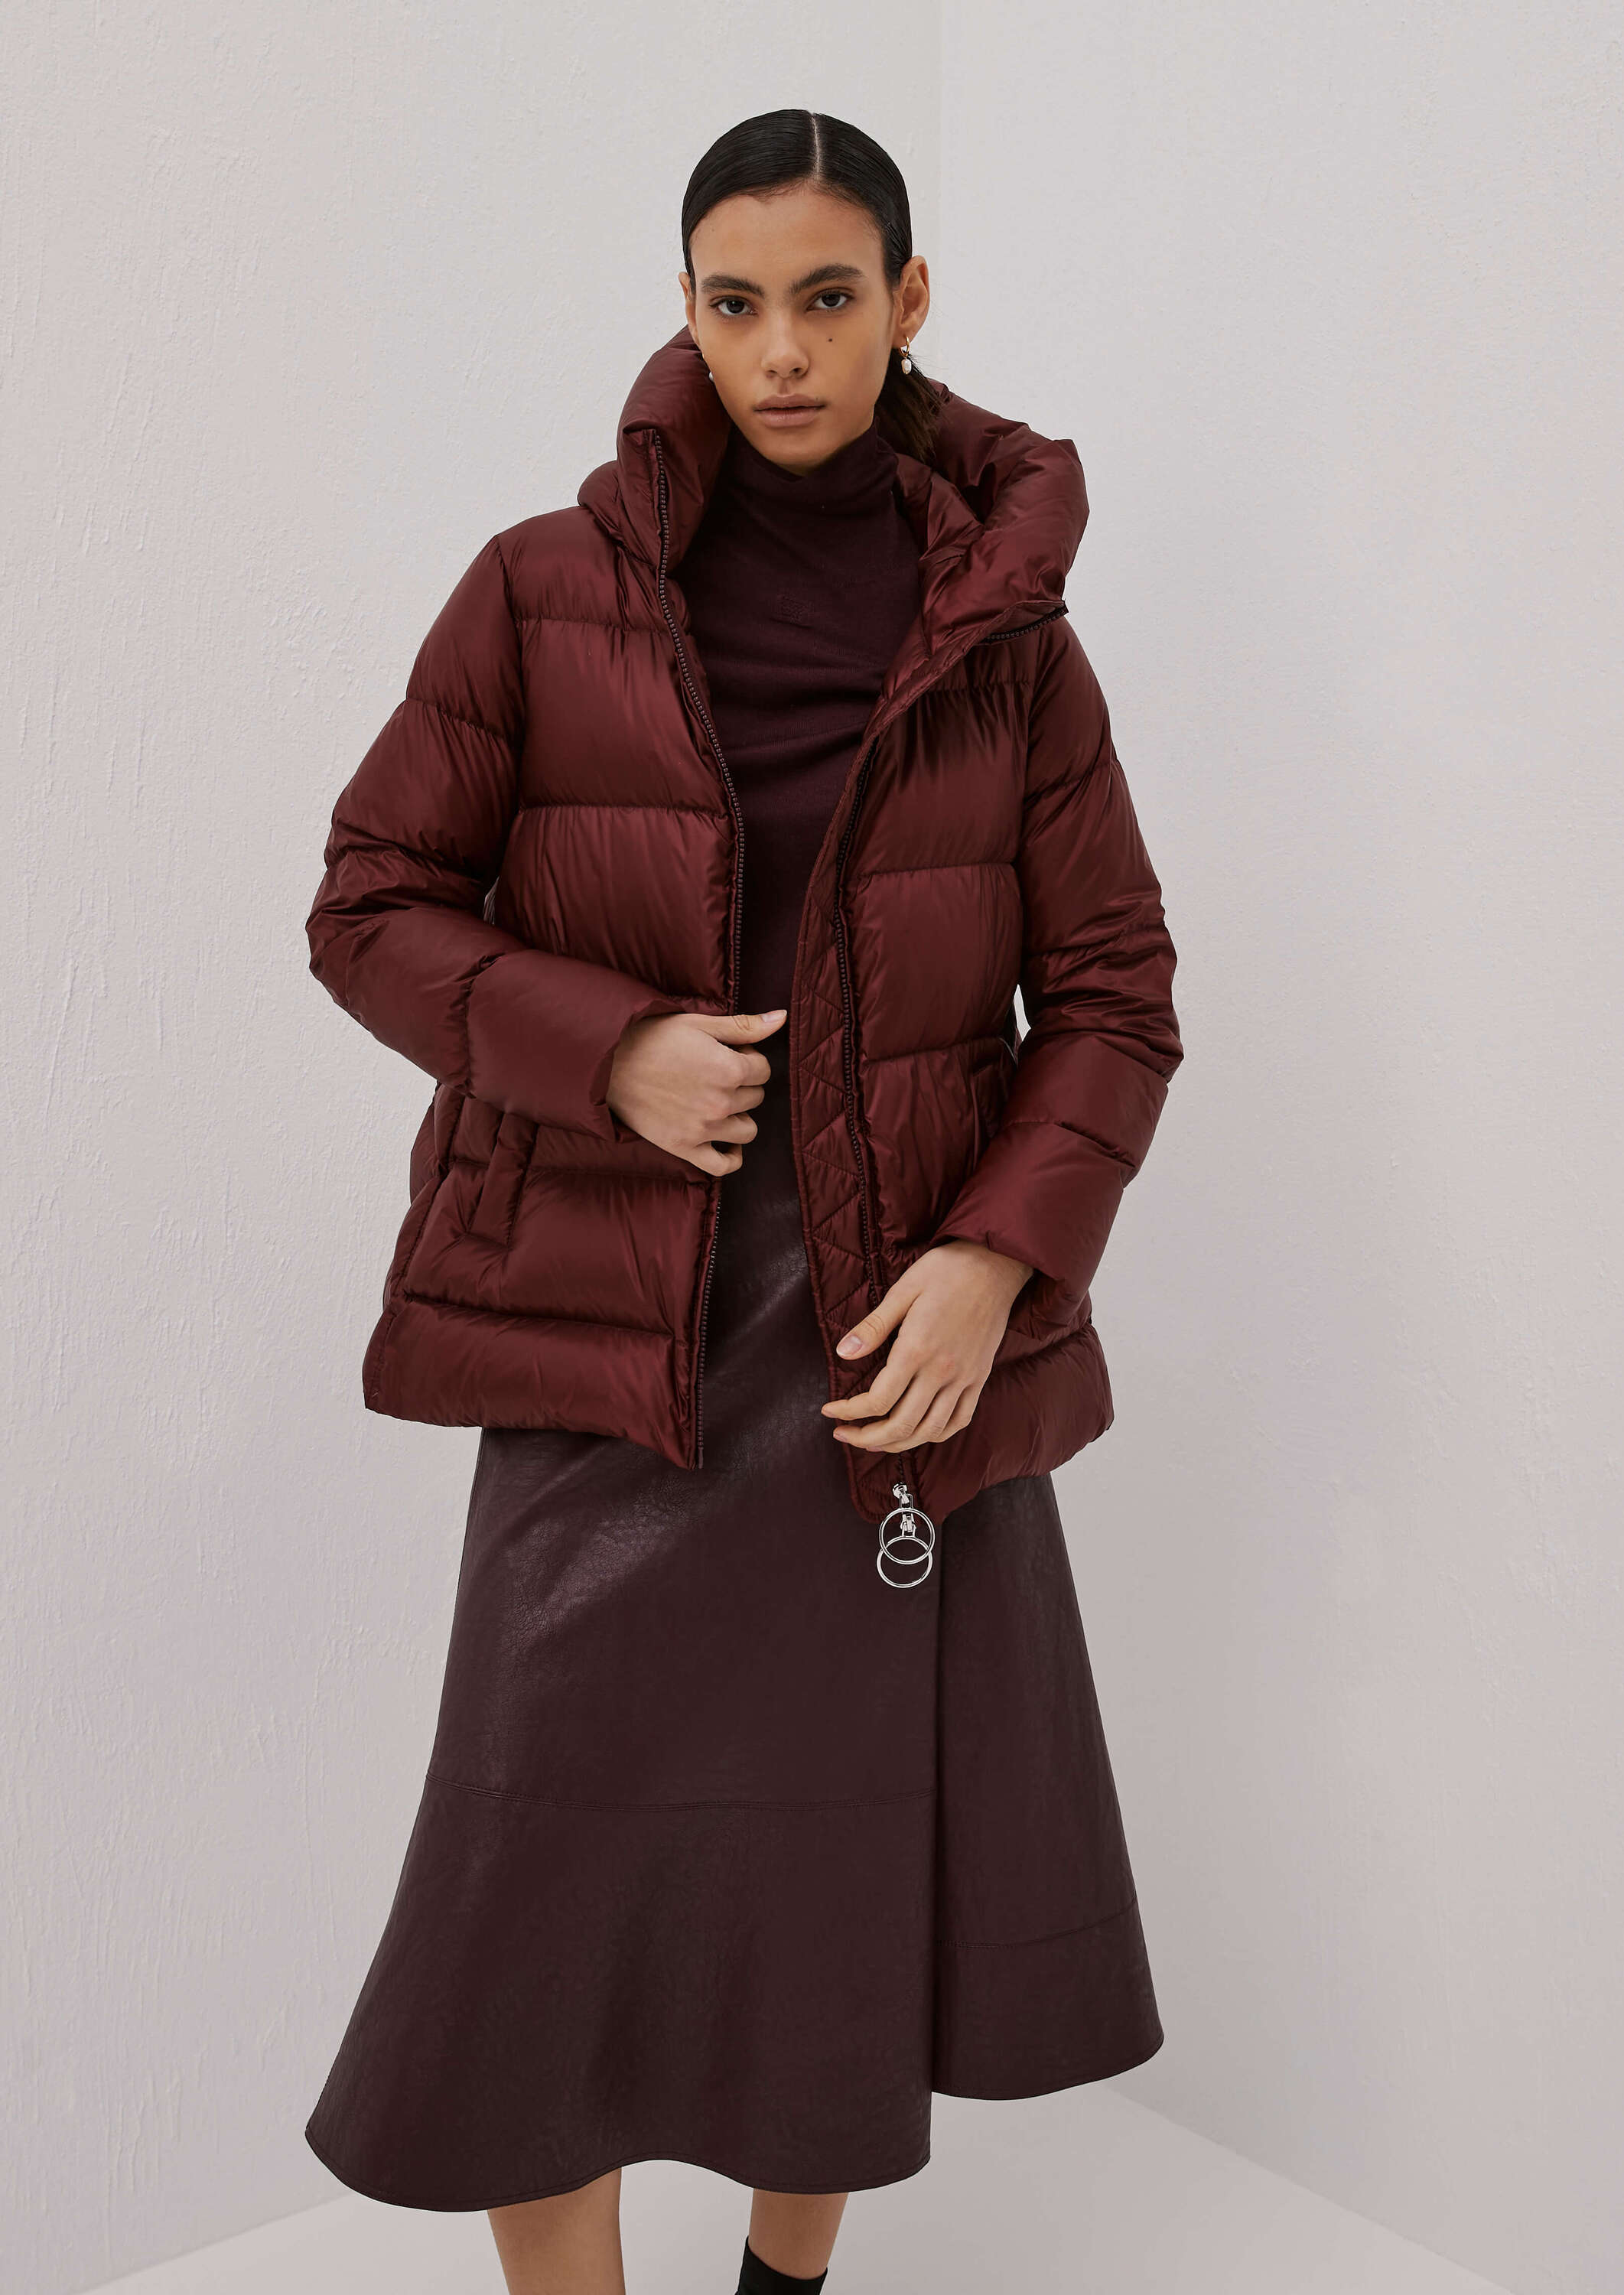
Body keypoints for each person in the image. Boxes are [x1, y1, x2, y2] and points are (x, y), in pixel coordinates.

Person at [301, 107, 1183, 2295]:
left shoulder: (1013, 645)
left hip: (890, 1343)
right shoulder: (541, 588)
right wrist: (605, 1047)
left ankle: (789, 2287)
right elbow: (370, 901)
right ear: (685, 312)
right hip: (608, 1321)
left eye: (825, 298)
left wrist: (997, 1259)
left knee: (835, 1872)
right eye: (734, 302)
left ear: (907, 302)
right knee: (526, 1891)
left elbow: (1112, 993)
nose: (779, 349)